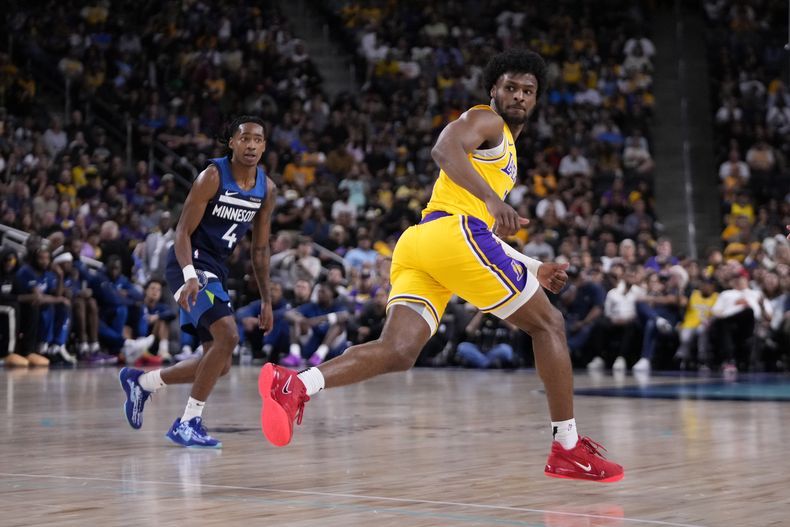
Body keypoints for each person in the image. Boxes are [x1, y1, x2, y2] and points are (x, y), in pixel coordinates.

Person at [258, 49, 623, 482]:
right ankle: (567, 448)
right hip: (452, 236)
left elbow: (471, 223)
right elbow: (444, 148)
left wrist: (533, 264)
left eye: (528, 91)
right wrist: (492, 199)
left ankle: (296, 386)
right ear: (494, 90)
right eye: (511, 87)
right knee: (549, 325)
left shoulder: (507, 149)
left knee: (398, 351)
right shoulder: (487, 120)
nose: (519, 96)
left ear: (537, 98)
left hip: (423, 243)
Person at [119, 116, 276, 448]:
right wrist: (190, 275)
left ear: (264, 145)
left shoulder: (267, 188)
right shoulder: (213, 176)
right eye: (244, 138)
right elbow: (182, 232)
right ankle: (188, 422)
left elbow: (260, 250)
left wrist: (266, 299)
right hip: (187, 263)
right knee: (228, 336)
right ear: (231, 142)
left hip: (215, 268)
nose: (250, 145)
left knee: (217, 366)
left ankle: (143, 383)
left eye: (257, 140)